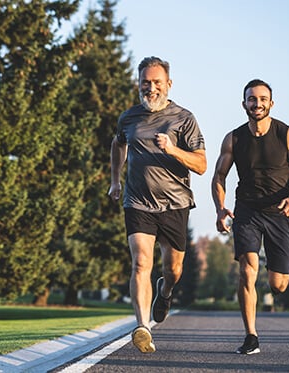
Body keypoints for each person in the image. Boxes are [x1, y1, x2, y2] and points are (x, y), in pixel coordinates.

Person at [109, 56, 207, 353]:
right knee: (140, 262)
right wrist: (115, 180)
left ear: (169, 84)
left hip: (175, 204)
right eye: (145, 83)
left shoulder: (184, 118)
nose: (151, 88)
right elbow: (118, 144)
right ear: (138, 84)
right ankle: (142, 326)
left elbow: (201, 165)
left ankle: (165, 291)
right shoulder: (128, 118)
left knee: (173, 269)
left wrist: (173, 149)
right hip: (138, 202)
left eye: (157, 83)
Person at [211, 79, 289, 355]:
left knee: (278, 284)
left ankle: (273, 271)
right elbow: (219, 176)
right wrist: (221, 209)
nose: (257, 103)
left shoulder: (287, 135)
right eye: (252, 99)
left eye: (262, 99)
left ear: (271, 102)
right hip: (247, 210)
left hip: (280, 212)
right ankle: (251, 336)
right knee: (247, 269)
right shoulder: (234, 138)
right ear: (244, 103)